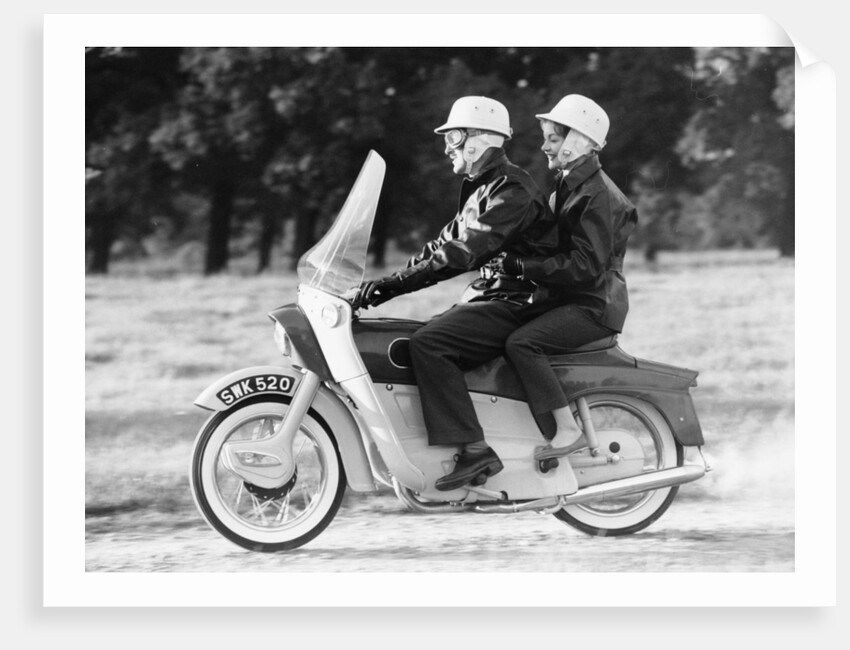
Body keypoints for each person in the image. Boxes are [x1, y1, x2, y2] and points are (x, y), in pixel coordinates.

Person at [355, 96, 558, 491]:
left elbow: (461, 253)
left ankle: (475, 449)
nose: (447, 146)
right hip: (496, 295)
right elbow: (439, 247)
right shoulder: (483, 188)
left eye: (453, 137)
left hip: (521, 301)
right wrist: (376, 286)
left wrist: (387, 288)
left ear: (476, 141)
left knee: (430, 343)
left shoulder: (511, 191)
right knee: (411, 336)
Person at [498, 94, 638, 462]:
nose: (544, 145)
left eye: (553, 138)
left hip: (593, 306)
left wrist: (522, 268)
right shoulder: (569, 185)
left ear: (578, 142)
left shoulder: (598, 195)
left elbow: (584, 266)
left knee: (521, 344)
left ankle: (567, 430)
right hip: (574, 299)